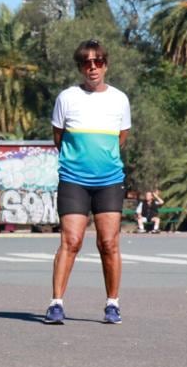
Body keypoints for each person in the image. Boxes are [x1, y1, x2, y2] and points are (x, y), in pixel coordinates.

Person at [42, 39, 131, 326]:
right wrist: (77, 161)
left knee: (108, 243)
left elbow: (121, 139)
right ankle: (56, 303)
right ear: (80, 67)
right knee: (71, 240)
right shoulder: (66, 98)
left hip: (109, 180)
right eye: (86, 62)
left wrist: (102, 161)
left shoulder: (119, 99)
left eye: (98, 61)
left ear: (106, 64)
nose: (92, 67)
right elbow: (59, 138)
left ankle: (112, 304)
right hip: (73, 180)